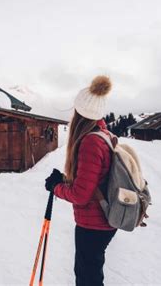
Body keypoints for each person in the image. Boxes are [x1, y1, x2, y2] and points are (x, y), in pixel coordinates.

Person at [45, 75, 116, 286]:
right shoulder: (104, 135)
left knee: (87, 279)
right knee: (90, 275)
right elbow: (94, 179)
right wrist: (66, 180)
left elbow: (81, 195)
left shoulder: (90, 142)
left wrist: (56, 187)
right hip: (102, 220)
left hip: (93, 223)